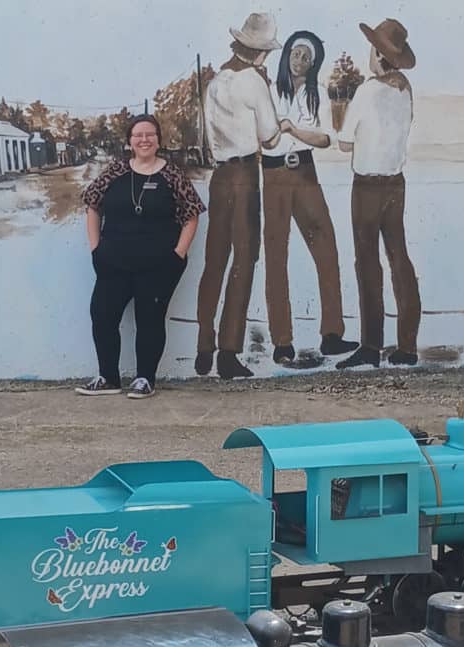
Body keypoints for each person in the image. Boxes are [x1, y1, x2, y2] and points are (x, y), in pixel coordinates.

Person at [79, 114, 206, 397]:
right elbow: (92, 205)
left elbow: (191, 215)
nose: (144, 139)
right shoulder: (115, 172)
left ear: (158, 140)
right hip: (113, 262)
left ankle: (144, 379)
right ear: (130, 141)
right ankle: (108, 378)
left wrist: (179, 254)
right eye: (138, 135)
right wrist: (95, 248)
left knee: (149, 319)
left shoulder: (172, 175)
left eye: (150, 134)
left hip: (158, 265)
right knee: (102, 315)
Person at [195, 12, 282, 380]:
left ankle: (204, 345)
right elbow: (271, 136)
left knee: (215, 259)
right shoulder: (253, 82)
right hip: (245, 173)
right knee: (244, 261)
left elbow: (204, 134)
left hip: (219, 175)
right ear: (258, 52)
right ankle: (228, 353)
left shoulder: (215, 82)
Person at [264, 30, 355, 364]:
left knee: (326, 248)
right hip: (273, 172)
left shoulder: (316, 94)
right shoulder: (270, 92)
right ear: (287, 53)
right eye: (296, 53)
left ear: (313, 64)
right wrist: (279, 132)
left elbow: (323, 140)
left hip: (304, 171)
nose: (299, 61)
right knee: (276, 255)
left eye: (307, 57)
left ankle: (332, 334)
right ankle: (282, 342)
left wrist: (292, 129)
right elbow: (263, 134)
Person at [336, 18, 421, 368]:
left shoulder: (367, 91)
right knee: (399, 258)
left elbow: (344, 143)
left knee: (368, 262)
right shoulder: (406, 89)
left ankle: (371, 345)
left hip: (368, 186)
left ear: (378, 55)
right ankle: (408, 345)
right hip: (395, 184)